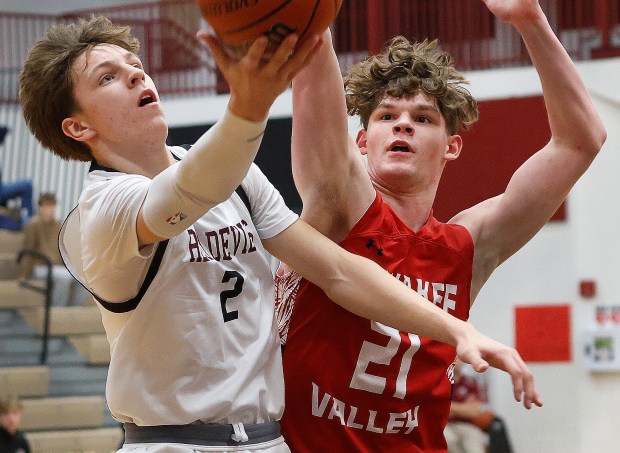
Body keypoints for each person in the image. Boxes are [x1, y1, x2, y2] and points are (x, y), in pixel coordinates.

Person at [19, 15, 538, 453]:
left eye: (134, 65)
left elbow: (336, 270)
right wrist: (248, 106)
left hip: (268, 440)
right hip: (175, 441)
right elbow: (187, 191)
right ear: (78, 127)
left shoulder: (237, 179)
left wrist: (457, 331)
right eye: (109, 77)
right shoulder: (101, 212)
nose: (135, 75)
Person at [276, 0, 605, 451]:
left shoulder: (467, 246)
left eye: (423, 118)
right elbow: (315, 58)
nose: (403, 125)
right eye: (387, 116)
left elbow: (580, 142)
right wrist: (311, 14)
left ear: (451, 147)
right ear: (362, 141)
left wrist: (530, 19)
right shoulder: (337, 203)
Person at [19, 192, 90, 306]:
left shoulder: (58, 225)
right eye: (47, 206)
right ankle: (56, 310)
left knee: (85, 278)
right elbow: (27, 251)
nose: (50, 210)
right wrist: (24, 276)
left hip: (57, 267)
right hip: (40, 267)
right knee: (65, 277)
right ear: (40, 207)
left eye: (52, 206)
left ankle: (74, 310)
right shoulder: (33, 225)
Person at [444, 360, 493, 453]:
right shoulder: (440, 383)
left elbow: (474, 411)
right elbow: (437, 411)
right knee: (448, 440)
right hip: (444, 425)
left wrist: (450, 406)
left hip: (467, 425)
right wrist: (463, 408)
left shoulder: (471, 383)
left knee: (475, 446)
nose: (455, 360)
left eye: (458, 357)